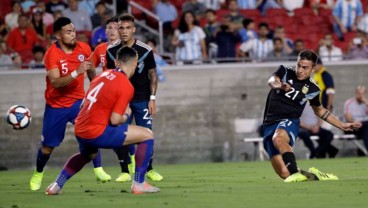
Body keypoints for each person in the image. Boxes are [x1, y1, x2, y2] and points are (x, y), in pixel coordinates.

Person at [45, 46, 160, 195]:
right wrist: (127, 113)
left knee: (87, 155)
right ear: (136, 63)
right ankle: (138, 183)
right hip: (96, 131)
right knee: (147, 135)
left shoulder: (102, 75)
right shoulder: (126, 85)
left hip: (80, 128)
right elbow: (115, 120)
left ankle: (56, 185)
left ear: (117, 62)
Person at [29, 17, 110, 192]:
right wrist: (76, 72)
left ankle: (98, 169)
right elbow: (56, 82)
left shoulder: (84, 47)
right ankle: (38, 172)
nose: (73, 34)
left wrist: (96, 91)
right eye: (68, 32)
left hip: (78, 102)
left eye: (73, 30)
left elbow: (90, 70)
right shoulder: (52, 54)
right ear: (58, 35)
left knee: (92, 132)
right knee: (47, 147)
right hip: (56, 105)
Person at [260, 49, 361, 182]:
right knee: (285, 173)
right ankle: (317, 175)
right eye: (299, 65)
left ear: (313, 68)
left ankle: (295, 174)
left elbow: (319, 110)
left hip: (289, 121)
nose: (300, 70)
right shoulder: (284, 71)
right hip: (269, 124)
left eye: (305, 67)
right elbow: (272, 80)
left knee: (279, 138)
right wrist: (279, 85)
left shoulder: (313, 89)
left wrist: (341, 125)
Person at [106, 13, 163, 182]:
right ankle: (124, 171)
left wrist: (152, 98)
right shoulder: (112, 52)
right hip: (121, 100)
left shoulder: (145, 50)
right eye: (121, 28)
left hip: (141, 99)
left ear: (134, 30)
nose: (124, 31)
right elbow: (110, 75)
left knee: (146, 133)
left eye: (127, 28)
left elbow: (152, 74)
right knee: (120, 135)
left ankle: (149, 169)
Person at [344, 85, 368, 153]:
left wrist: (366, 103)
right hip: (352, 126)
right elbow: (348, 117)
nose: (360, 96)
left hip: (364, 126)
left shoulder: (366, 103)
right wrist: (354, 121)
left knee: (366, 126)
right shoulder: (349, 103)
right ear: (356, 93)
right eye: (359, 93)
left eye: (362, 94)